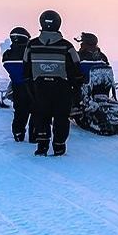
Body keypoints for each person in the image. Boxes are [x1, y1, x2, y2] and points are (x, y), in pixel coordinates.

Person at [22, 9, 81, 156]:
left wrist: (30, 86)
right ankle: (59, 146)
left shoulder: (32, 45)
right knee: (61, 118)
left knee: (41, 116)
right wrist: (76, 88)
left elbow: (25, 68)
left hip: (39, 88)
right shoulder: (67, 46)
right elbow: (77, 69)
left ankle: (42, 146)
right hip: (62, 88)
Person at [1, 26, 32, 142]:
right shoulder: (30, 52)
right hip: (32, 85)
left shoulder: (7, 55)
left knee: (19, 112)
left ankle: (18, 133)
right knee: (36, 111)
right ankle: (34, 135)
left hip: (17, 86)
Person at [73, 32, 109, 114]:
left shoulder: (78, 56)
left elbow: (73, 70)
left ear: (85, 44)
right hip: (101, 87)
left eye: (82, 42)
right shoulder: (102, 56)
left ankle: (74, 106)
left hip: (83, 87)